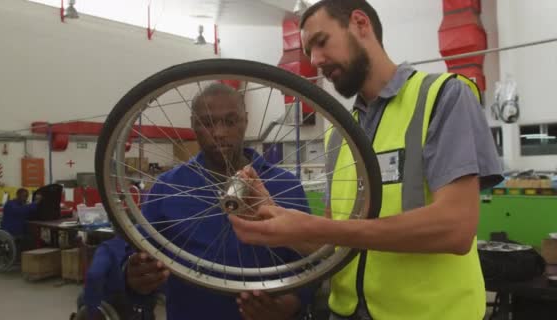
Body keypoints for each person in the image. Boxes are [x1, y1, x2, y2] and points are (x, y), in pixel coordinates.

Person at [228, 1, 503, 320]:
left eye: (321, 41)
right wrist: (274, 216)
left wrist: (314, 225)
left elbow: (456, 227)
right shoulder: (338, 135)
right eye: (308, 52)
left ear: (360, 23)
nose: (315, 60)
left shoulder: (443, 97)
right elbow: (333, 246)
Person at [125, 83, 314, 320]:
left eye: (230, 121)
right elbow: (135, 254)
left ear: (245, 121)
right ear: (193, 125)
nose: (219, 133)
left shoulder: (286, 185)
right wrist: (133, 278)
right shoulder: (165, 188)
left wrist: (292, 303)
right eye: (207, 123)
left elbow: (310, 262)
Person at [78, 236, 155, 320]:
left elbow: (94, 275)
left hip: (116, 303)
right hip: (143, 306)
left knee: (83, 297)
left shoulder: (107, 248)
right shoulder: (150, 247)